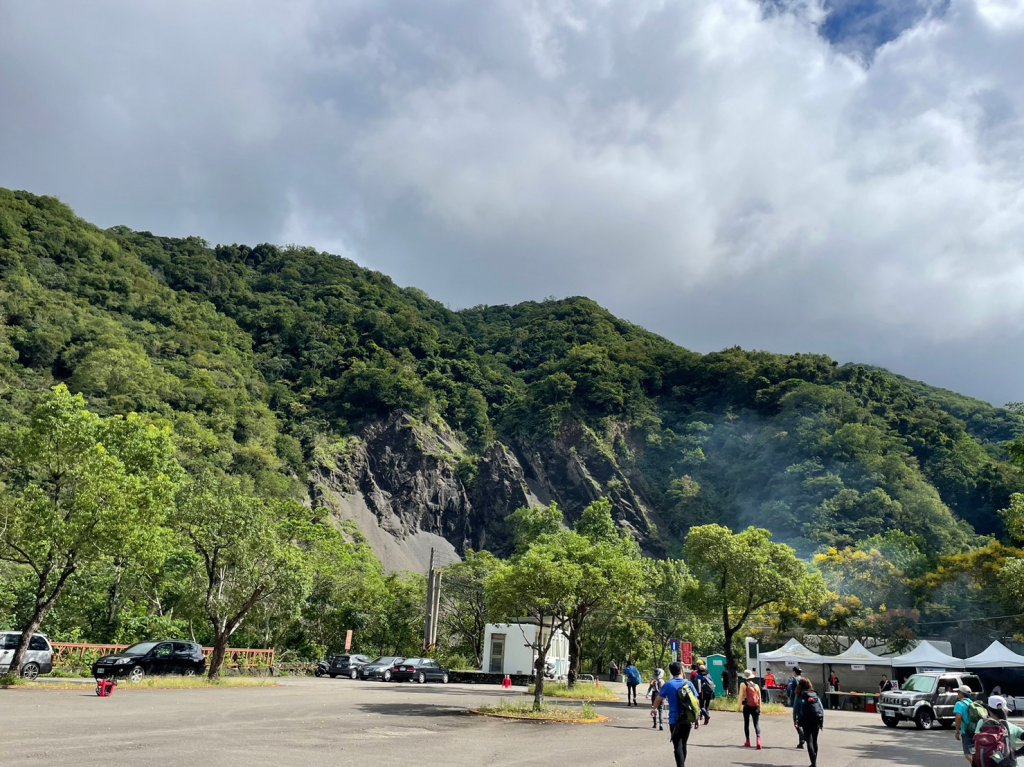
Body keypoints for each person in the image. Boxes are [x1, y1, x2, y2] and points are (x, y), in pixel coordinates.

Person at [652, 661, 700, 767]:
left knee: (677, 745)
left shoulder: (668, 685)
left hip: (674, 720)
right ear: (681, 671)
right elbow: (696, 702)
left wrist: (654, 709)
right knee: (683, 744)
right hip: (688, 718)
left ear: (671, 672)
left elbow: (658, 699)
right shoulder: (688, 684)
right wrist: (697, 719)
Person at [793, 678, 824, 767]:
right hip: (816, 720)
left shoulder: (799, 695)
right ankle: (814, 762)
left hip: (805, 720)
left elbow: (795, 709)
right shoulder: (814, 694)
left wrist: (795, 720)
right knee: (815, 741)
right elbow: (821, 709)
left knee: (809, 741)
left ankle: (813, 763)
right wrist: (821, 722)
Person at [739, 669, 763, 750]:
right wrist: (759, 707)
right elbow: (759, 697)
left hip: (747, 706)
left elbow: (740, 696)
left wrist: (739, 706)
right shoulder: (756, 686)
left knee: (746, 723)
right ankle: (759, 740)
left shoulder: (743, 684)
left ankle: (748, 741)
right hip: (755, 706)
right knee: (756, 724)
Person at [955, 684, 978, 765]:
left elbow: (958, 717)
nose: (957, 693)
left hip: (966, 731)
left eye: (958, 692)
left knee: (968, 754)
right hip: (976, 731)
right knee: (974, 752)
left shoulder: (959, 704)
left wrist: (957, 731)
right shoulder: (972, 703)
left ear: (961, 693)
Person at [788, 667, 806, 748]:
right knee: (803, 720)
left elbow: (791, 690)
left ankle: (802, 737)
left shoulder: (794, 680)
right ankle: (801, 742)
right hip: (804, 700)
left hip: (797, 699)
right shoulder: (803, 679)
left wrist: (789, 698)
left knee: (796, 720)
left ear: (795, 672)